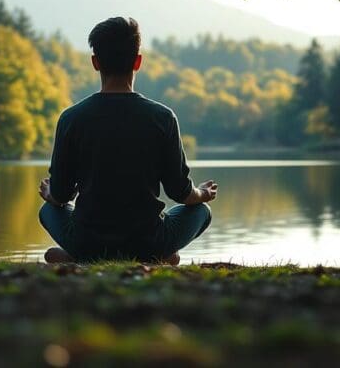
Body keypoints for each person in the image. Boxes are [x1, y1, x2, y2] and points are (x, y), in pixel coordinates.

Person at [38, 17, 217, 264]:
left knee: (48, 210)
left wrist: (50, 194)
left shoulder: (71, 119)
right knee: (201, 212)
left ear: (95, 62)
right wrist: (202, 194)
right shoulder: (163, 118)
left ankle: (80, 256)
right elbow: (181, 193)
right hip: (147, 241)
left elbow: (60, 195)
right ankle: (157, 257)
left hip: (87, 239)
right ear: (138, 61)